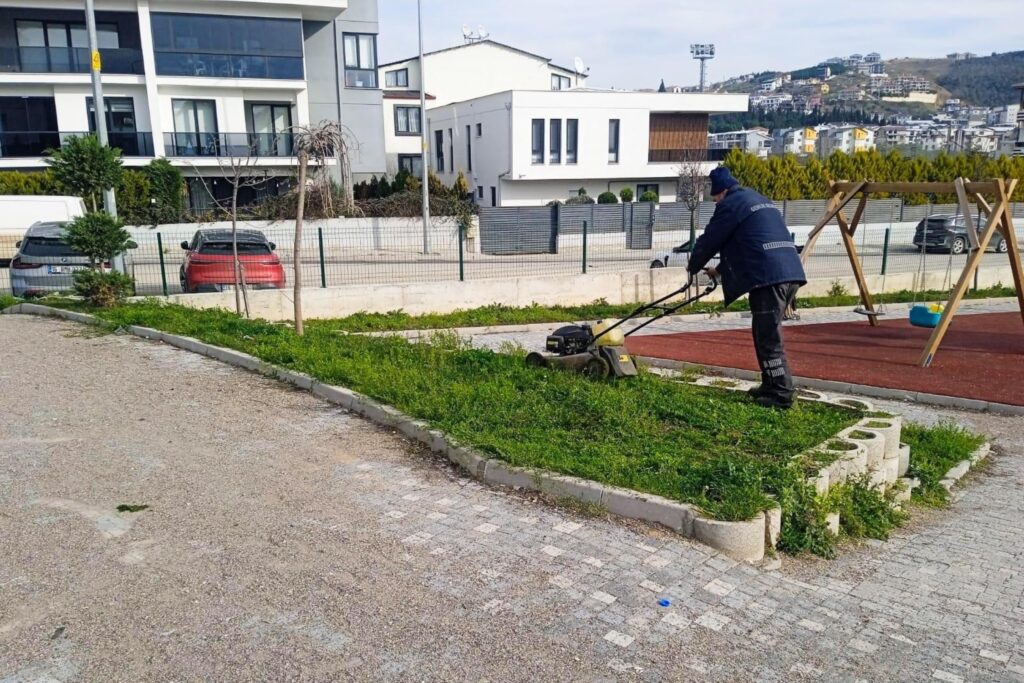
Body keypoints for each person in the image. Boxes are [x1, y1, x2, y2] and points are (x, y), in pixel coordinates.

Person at [684, 167, 807, 409]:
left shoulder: (731, 205)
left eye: (716, 197)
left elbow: (709, 240)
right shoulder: (757, 199)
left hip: (769, 277)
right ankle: (770, 384)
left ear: (724, 191)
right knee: (765, 333)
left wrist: (693, 267)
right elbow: (749, 243)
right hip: (789, 272)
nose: (716, 201)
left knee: (767, 336)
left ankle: (780, 394)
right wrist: (717, 272)